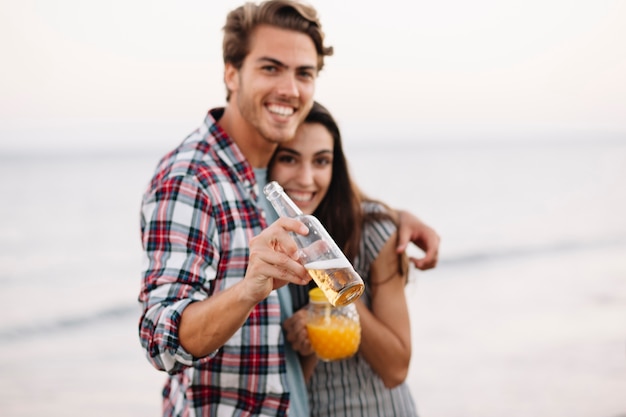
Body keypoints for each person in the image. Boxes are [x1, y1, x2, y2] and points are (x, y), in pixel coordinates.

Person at [138, 1, 439, 416]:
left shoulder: (269, 165)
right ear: (231, 73)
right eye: (270, 68)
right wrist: (248, 289)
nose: (290, 89)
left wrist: (392, 217)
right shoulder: (192, 179)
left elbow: (323, 187)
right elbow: (160, 341)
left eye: (304, 74)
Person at [270, 102, 419, 416]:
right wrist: (312, 333)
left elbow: (396, 369)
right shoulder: (265, 248)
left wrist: (335, 288)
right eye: (288, 158)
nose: (306, 178)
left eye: (321, 161)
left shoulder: (373, 232)